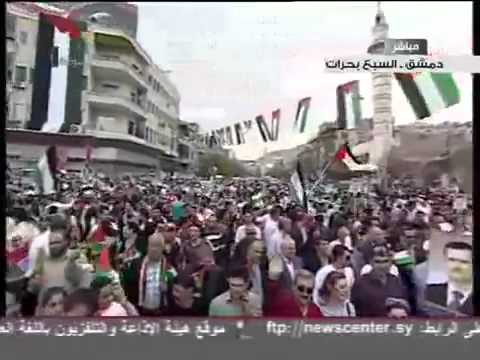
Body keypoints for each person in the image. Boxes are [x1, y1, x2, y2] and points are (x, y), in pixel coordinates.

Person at [351, 245, 408, 317]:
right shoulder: (360, 284)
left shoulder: (395, 281)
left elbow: (405, 304)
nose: (382, 266)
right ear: (371, 262)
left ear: (390, 263)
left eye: (385, 261)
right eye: (377, 262)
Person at [426, 241, 473, 315]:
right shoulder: (427, 293)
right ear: (444, 261)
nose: (456, 266)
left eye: (464, 262)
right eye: (452, 260)